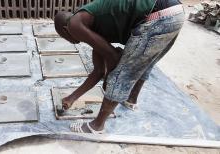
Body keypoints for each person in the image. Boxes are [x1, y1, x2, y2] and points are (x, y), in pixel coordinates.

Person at [54, 0, 184, 134]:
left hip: (158, 17)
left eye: (64, 37)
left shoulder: (74, 24)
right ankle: (130, 99)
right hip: (175, 13)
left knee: (123, 72)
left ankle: (96, 126)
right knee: (143, 61)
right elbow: (99, 71)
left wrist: (109, 82)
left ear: (65, 29)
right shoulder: (92, 23)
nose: (70, 41)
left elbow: (114, 58)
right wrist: (72, 98)